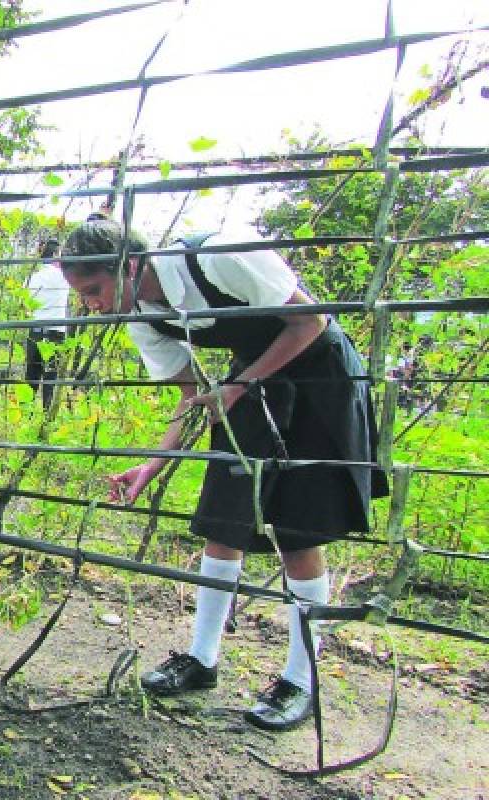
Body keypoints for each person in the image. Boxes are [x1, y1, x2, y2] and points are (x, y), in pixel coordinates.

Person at [59, 219, 389, 732]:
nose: (91, 305)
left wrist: (237, 386)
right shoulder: (141, 314)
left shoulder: (217, 257)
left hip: (317, 379)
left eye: (94, 290)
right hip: (251, 385)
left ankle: (301, 680)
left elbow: (311, 322)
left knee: (297, 534)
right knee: (223, 522)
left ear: (127, 266)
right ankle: (201, 659)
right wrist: (153, 464)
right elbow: (190, 397)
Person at [23, 238, 70, 409]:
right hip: (56, 332)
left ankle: (24, 413)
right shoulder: (65, 277)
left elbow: (25, 302)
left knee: (32, 375)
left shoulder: (32, 277)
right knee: (51, 376)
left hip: (35, 330)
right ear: (57, 255)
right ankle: (46, 418)